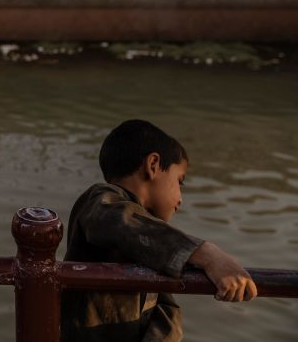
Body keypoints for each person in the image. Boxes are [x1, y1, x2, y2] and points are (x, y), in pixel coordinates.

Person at [60, 119, 257, 342]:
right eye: (179, 182)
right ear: (153, 165)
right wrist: (208, 255)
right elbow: (118, 221)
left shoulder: (150, 241)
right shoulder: (99, 200)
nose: (181, 199)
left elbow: (166, 309)